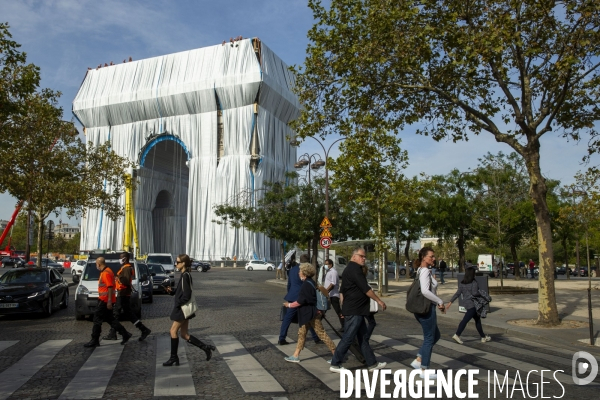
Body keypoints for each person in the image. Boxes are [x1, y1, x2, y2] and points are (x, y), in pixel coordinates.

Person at [329, 247, 387, 373]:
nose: (364, 259)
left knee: (362, 338)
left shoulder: (348, 269)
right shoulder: (355, 269)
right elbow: (366, 289)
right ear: (354, 256)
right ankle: (335, 363)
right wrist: (379, 300)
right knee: (348, 337)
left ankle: (372, 364)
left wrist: (343, 308)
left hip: (356, 310)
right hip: (355, 310)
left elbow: (342, 291)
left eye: (365, 256)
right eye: (362, 256)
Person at [163, 254, 215, 366]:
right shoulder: (184, 274)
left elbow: (187, 295)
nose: (176, 264)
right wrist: (171, 291)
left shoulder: (185, 275)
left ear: (183, 264)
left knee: (173, 331)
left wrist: (178, 304)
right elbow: (181, 291)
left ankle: (173, 358)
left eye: (177, 262)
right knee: (184, 334)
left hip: (182, 309)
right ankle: (205, 347)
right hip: (183, 308)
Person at [283, 263, 337, 362]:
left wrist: (289, 305)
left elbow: (301, 301)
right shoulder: (311, 282)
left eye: (300, 271)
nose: (298, 273)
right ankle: (295, 355)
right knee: (302, 334)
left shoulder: (306, 285)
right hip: (307, 314)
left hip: (310, 314)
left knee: (322, 334)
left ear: (304, 273)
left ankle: (336, 355)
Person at [409, 247, 446, 380]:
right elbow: (425, 291)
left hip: (424, 308)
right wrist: (439, 301)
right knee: (430, 338)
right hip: (426, 309)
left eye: (434, 256)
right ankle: (424, 369)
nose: (434, 258)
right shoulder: (424, 271)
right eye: (431, 256)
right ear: (424, 257)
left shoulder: (422, 270)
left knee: (436, 335)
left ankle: (419, 359)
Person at [84, 257, 132, 347]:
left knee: (97, 319)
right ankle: (125, 334)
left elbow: (110, 287)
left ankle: (95, 339)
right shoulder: (108, 271)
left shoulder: (106, 273)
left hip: (104, 300)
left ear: (99, 264)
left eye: (96, 264)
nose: (96, 266)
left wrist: (109, 301)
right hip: (106, 299)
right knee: (110, 319)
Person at [103, 252, 151, 342]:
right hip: (123, 293)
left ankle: (115, 333)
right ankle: (143, 329)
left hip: (123, 293)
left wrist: (118, 277)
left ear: (125, 258)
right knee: (127, 314)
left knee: (116, 313)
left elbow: (125, 281)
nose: (119, 259)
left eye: (121, 258)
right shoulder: (125, 268)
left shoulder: (127, 268)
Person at [278, 254, 320, 345]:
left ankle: (282, 337)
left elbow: (289, 284)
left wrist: (290, 294)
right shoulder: (305, 270)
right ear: (308, 261)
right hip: (302, 297)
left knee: (287, 319)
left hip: (292, 296)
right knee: (309, 317)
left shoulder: (293, 270)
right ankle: (316, 337)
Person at [446, 267, 491, 344]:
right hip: (473, 304)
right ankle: (457, 334)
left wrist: (450, 302)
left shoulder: (462, 283)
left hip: (466, 303)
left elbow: (457, 293)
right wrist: (481, 293)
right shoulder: (474, 282)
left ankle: (483, 337)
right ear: (472, 274)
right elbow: (474, 293)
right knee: (465, 320)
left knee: (477, 320)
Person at [323, 258, 344, 331]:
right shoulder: (329, 271)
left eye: (326, 264)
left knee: (338, 311)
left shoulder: (333, 272)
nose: (325, 265)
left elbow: (333, 284)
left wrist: (326, 291)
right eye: (325, 264)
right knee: (323, 309)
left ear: (330, 264)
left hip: (333, 295)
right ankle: (318, 324)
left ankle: (344, 325)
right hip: (329, 294)